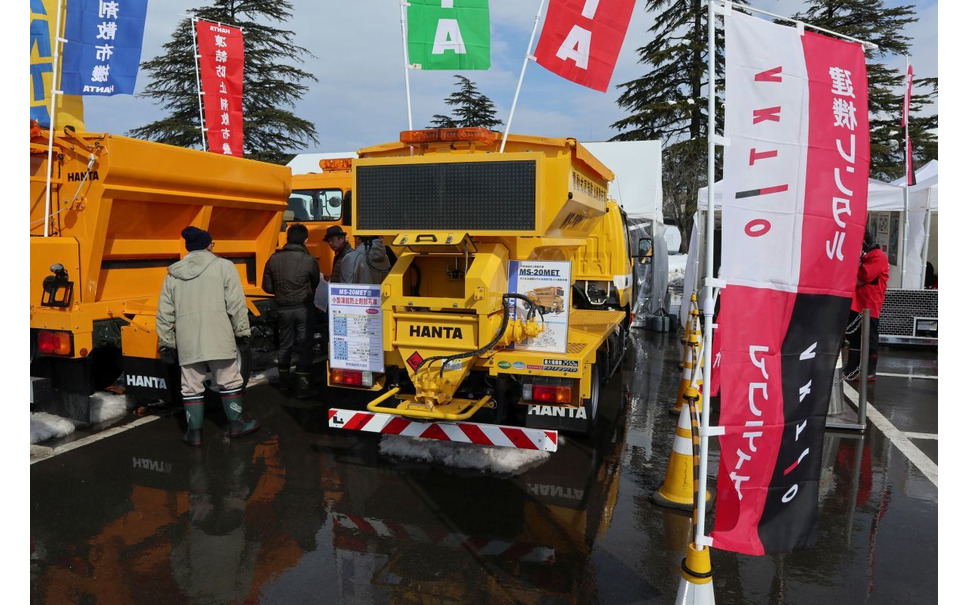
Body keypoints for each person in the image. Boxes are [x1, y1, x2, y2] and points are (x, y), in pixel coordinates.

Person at [156, 226, 259, 446]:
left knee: (191, 386)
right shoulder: (224, 267)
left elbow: (164, 312)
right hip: (218, 335)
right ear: (208, 245)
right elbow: (236, 303)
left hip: (188, 339)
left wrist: (166, 343)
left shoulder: (173, 273)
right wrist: (242, 332)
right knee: (229, 380)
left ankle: (194, 434)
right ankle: (237, 424)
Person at [263, 224, 321, 398]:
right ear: (305, 240)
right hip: (304, 308)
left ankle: (283, 383)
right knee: (304, 346)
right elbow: (315, 284)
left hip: (283, 309)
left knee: (285, 345)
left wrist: (282, 291)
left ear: (287, 238)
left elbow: (266, 287)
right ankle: (302, 388)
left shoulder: (273, 259)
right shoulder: (309, 261)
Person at [846, 228, 890, 381]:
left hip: (870, 305)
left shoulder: (877, 256)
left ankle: (869, 371)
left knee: (869, 339)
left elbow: (864, 276)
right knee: (854, 338)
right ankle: (852, 369)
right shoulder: (865, 257)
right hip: (857, 304)